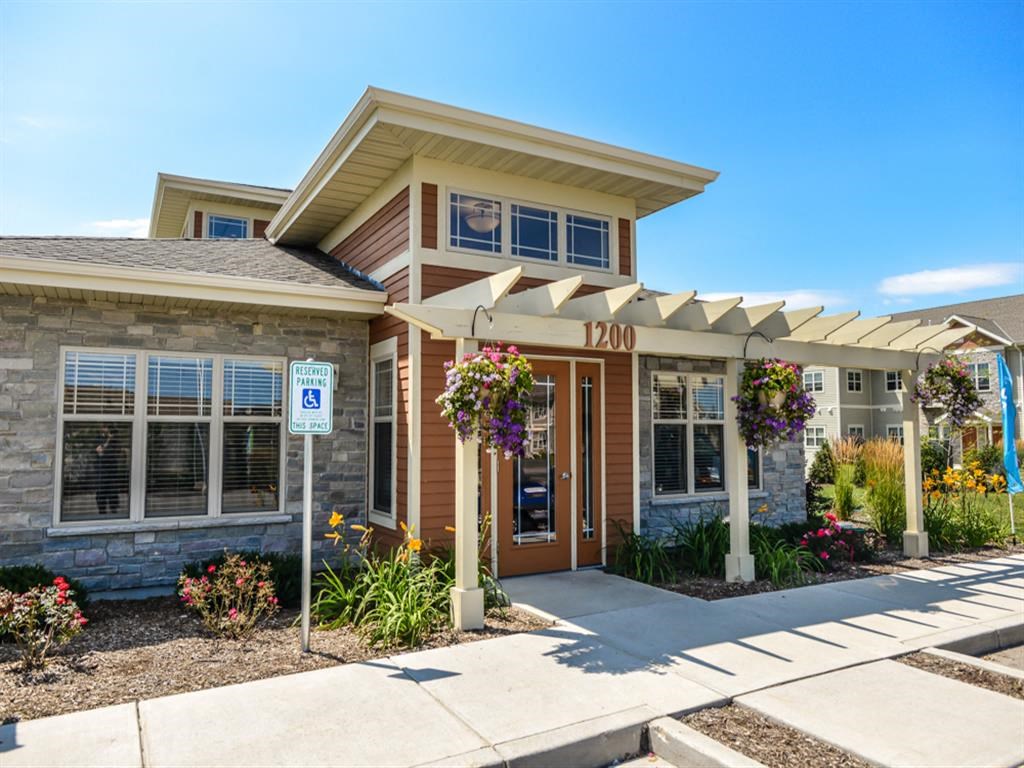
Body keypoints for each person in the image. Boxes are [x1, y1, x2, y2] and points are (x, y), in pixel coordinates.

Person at [94, 424, 121, 515]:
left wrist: (110, 440)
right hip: (101, 468)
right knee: (101, 489)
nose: (104, 429)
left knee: (112, 489)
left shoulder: (115, 440)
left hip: (112, 467)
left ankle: (113, 509)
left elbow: (118, 451)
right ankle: (102, 510)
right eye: (104, 427)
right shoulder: (98, 438)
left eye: (106, 428)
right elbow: (98, 451)